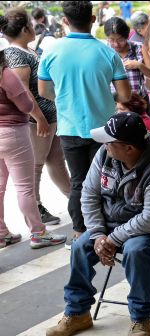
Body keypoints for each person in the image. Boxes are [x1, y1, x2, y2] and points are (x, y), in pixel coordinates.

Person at [46, 112, 150, 336]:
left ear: (129, 148)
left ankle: (141, 318)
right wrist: (99, 235)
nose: (104, 145)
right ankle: (77, 312)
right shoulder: (105, 154)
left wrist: (112, 240)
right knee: (80, 246)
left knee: (136, 250)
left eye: (109, 141)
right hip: (110, 223)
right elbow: (89, 194)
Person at [38, 1, 131, 248]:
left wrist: (66, 98)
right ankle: (111, 229)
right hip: (104, 129)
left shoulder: (51, 52)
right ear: (93, 19)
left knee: (79, 181)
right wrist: (104, 96)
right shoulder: (107, 53)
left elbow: (44, 91)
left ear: (65, 21)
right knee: (108, 178)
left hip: (70, 128)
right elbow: (125, 95)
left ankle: (79, 233)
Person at [2, 8, 70, 226]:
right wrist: (39, 118)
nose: (34, 28)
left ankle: (76, 200)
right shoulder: (16, 55)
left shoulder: (25, 50)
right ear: (24, 29)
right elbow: (23, 90)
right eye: (30, 25)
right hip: (38, 121)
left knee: (57, 162)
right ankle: (37, 209)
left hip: (48, 118)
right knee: (36, 166)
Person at [104, 17, 150, 99]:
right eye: (111, 40)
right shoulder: (104, 52)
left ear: (126, 36)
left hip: (139, 101)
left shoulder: (138, 47)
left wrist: (139, 65)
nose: (116, 44)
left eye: (120, 40)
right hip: (116, 102)